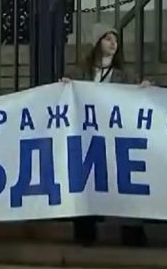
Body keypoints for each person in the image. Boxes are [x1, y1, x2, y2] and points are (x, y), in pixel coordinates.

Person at [61, 23, 150, 247]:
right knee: (87, 184)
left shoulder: (125, 76)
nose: (113, 43)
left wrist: (144, 89)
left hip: (115, 140)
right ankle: (85, 234)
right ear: (97, 43)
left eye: (115, 40)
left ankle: (132, 234)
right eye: (108, 38)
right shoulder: (80, 74)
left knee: (123, 183)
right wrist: (65, 87)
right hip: (89, 140)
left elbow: (138, 97)